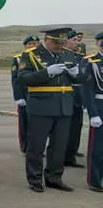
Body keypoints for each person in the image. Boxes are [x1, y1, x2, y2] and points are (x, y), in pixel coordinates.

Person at [17, 27, 80, 192]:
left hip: (64, 106)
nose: (60, 46)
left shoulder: (67, 54)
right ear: (47, 40)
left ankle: (54, 177)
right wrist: (46, 72)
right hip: (41, 106)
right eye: (57, 43)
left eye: (62, 42)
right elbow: (23, 79)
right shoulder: (30, 54)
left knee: (59, 146)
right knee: (36, 146)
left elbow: (78, 79)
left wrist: (76, 74)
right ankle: (35, 178)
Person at [82, 32, 103, 192]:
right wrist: (93, 113)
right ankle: (95, 180)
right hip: (99, 105)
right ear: (98, 44)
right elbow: (87, 90)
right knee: (97, 147)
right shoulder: (91, 62)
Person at [12, 35, 39, 153]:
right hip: (24, 94)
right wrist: (18, 97)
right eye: (30, 44)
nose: (33, 46)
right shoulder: (18, 59)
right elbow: (15, 79)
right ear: (25, 46)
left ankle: (36, 146)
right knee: (24, 122)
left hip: (38, 95)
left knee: (37, 124)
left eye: (35, 43)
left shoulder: (41, 58)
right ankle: (25, 145)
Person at [64, 30, 87, 169]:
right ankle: (60, 155)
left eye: (78, 40)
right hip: (65, 96)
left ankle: (71, 154)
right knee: (62, 129)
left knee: (76, 128)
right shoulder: (60, 55)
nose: (77, 43)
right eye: (74, 40)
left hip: (78, 97)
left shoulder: (80, 57)